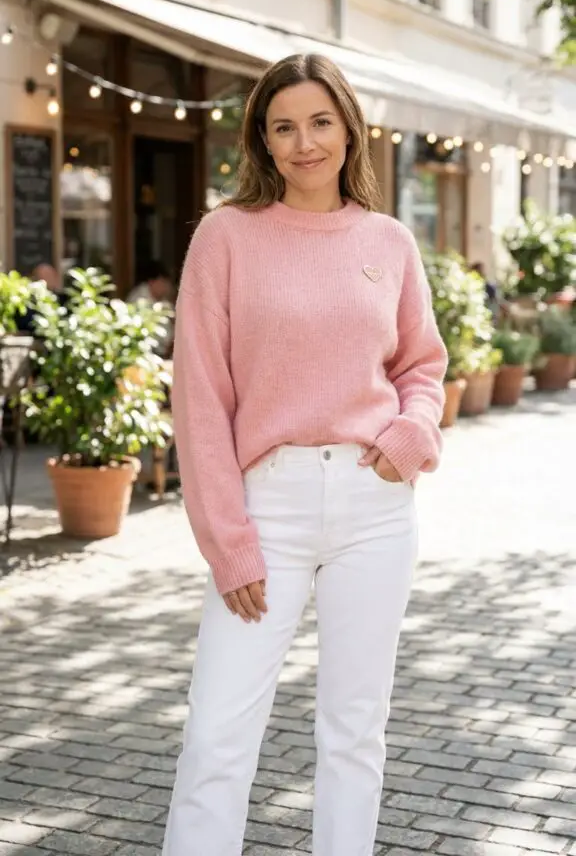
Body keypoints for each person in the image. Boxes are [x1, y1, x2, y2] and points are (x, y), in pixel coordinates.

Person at [165, 53, 448, 856]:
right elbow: (200, 398)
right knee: (217, 733)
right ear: (262, 139)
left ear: (349, 129)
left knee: (355, 731)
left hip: (373, 507)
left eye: (321, 122)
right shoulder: (225, 237)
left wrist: (409, 438)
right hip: (266, 507)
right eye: (284, 127)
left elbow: (422, 366)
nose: (305, 143)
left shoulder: (388, 242)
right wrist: (227, 540)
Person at [127, 260, 174, 356]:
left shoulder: (162, 299)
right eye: (163, 282)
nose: (167, 287)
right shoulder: (139, 299)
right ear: (152, 282)